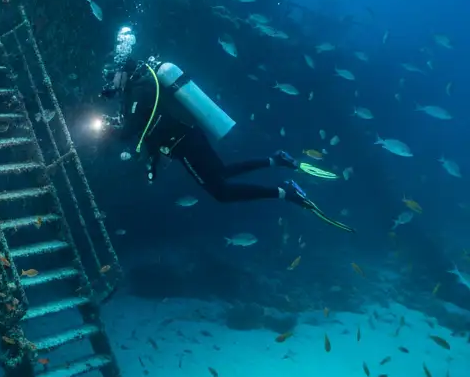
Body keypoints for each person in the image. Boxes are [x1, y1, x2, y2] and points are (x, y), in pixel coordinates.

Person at [99, 26, 352, 231]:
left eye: (110, 77)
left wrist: (107, 131)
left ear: (121, 72)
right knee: (223, 171)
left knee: (222, 192)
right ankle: (276, 161)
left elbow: (130, 130)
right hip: (189, 137)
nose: (109, 84)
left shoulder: (138, 91)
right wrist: (152, 161)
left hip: (184, 145)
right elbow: (148, 128)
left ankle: (285, 193)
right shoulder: (141, 87)